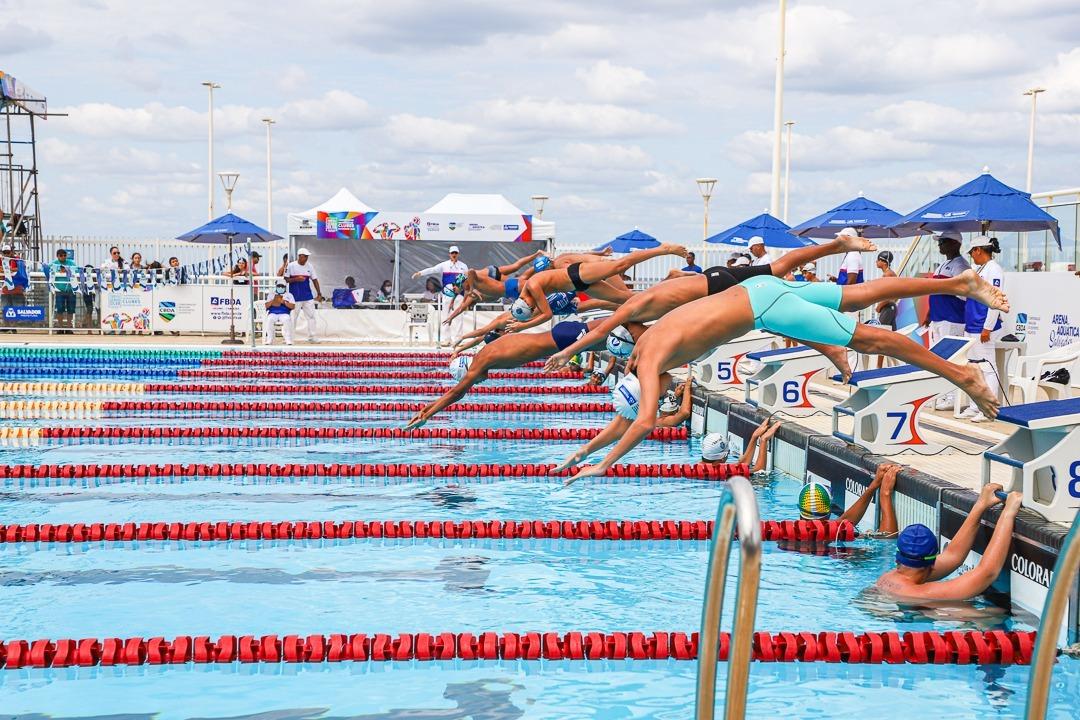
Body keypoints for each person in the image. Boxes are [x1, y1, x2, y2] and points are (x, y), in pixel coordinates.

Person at [562, 270, 1008, 483]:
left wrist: (604, 466)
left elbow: (638, 423)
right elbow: (626, 418)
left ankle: (960, 374)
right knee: (858, 295)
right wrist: (581, 452)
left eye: (653, 397)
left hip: (764, 306)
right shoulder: (644, 351)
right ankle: (958, 283)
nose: (659, 400)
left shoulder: (655, 357)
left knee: (871, 339)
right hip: (760, 290)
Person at [544, 230, 877, 375]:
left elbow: (601, 327)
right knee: (772, 312)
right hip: (711, 288)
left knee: (782, 269)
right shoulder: (634, 307)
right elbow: (601, 315)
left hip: (717, 284)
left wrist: (566, 351)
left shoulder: (630, 309)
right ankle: (828, 348)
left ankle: (838, 245)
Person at [405, 317, 646, 429]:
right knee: (625, 330)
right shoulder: (485, 351)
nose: (478, 382)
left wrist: (427, 413)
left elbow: (457, 393)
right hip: (561, 335)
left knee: (625, 326)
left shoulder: (482, 363)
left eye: (473, 380)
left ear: (469, 371)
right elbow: (487, 332)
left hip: (562, 339)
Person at [875, 484, 1022, 602]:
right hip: (914, 614)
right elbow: (987, 574)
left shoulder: (889, 578)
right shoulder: (918, 593)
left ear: (897, 558)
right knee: (986, 615)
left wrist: (981, 505)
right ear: (932, 563)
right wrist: (1008, 512)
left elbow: (953, 556)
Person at [503, 244, 687, 333]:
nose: (533, 306)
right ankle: (670, 280)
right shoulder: (532, 296)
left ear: (523, 301)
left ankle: (664, 249)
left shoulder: (533, 286)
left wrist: (523, 326)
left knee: (620, 266)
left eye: (530, 306)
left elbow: (547, 314)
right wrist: (523, 322)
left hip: (577, 274)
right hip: (581, 285)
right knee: (626, 299)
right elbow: (541, 312)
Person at [960, 236, 1006, 423]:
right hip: (972, 323)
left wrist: (987, 327)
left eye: (972, 252)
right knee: (974, 367)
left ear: (979, 250)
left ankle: (990, 408)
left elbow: (995, 300)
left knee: (988, 367)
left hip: (983, 326)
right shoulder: (979, 268)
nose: (971, 256)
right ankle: (975, 406)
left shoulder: (994, 270)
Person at [923, 230, 970, 409]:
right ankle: (940, 395)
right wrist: (928, 314)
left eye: (943, 242)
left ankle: (951, 398)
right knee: (937, 358)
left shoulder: (961, 266)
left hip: (952, 317)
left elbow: (964, 292)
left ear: (955, 243)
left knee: (951, 359)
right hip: (938, 316)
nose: (940, 245)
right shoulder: (942, 265)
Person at [798, 463, 900, 537]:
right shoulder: (836, 540)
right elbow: (887, 538)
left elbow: (843, 523)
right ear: (829, 512)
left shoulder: (789, 532)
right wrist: (885, 494)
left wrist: (875, 484)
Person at [412, 245, 469, 345]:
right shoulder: (444, 265)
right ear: (449, 254)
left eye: (456, 253)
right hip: (447, 294)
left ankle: (458, 339)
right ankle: (447, 339)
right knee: (445, 315)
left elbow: (467, 279)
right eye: (452, 253)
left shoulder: (463, 266)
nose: (454, 255)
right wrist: (420, 273)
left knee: (459, 317)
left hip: (459, 294)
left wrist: (466, 294)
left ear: (458, 254)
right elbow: (432, 269)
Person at [696, 418, 783, 476]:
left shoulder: (698, 467)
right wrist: (763, 440)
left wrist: (754, 437)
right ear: (723, 457)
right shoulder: (722, 473)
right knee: (760, 481)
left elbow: (743, 466)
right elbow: (759, 471)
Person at [284, 247, 324, 343]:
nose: (306, 258)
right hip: (295, 296)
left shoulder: (309, 266)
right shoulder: (291, 266)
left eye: (307, 256)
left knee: (311, 316)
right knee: (293, 317)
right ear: (299, 256)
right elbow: (286, 279)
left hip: (307, 296)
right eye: (304, 256)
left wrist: (319, 293)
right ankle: (290, 337)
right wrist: (296, 279)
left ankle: (312, 337)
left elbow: (315, 280)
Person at [49, 248, 78, 334]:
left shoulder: (70, 263)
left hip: (70, 289)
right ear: (57, 256)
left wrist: (67, 270)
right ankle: (60, 327)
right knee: (60, 309)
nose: (63, 257)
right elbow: (48, 268)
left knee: (71, 309)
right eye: (61, 255)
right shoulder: (54, 263)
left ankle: (69, 327)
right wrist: (58, 270)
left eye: (64, 255)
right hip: (59, 290)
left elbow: (76, 269)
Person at [263, 279, 295, 346]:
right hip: (273, 313)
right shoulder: (271, 294)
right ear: (276, 286)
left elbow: (293, 306)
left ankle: (288, 339)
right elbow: (266, 306)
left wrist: (284, 302)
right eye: (279, 286)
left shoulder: (289, 295)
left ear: (285, 287)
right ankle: (269, 339)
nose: (280, 288)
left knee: (287, 320)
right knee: (269, 320)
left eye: (282, 286)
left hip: (284, 313)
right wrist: (273, 301)